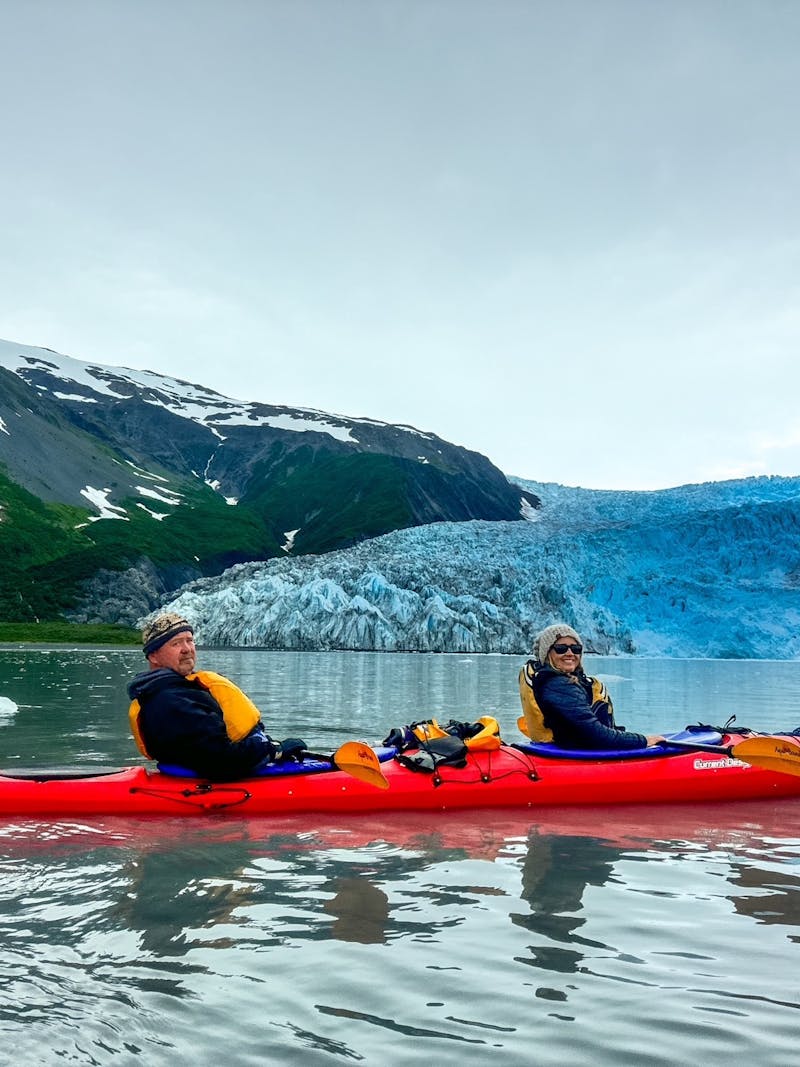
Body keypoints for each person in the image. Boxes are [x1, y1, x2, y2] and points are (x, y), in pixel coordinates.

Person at [128, 612, 306, 780]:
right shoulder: (170, 700)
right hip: (217, 778)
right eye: (176, 643)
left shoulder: (174, 690)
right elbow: (221, 760)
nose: (187, 649)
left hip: (206, 769)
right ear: (153, 656)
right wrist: (274, 750)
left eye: (189, 641)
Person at [519, 623, 665, 750]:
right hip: (579, 753)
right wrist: (643, 741)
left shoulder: (557, 681)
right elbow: (594, 734)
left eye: (575, 648)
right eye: (560, 648)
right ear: (547, 653)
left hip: (571, 749)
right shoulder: (559, 685)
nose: (569, 653)